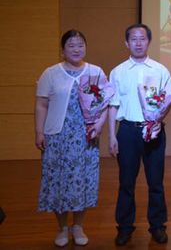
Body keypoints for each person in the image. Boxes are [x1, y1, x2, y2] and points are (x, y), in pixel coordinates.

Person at [35, 30, 108, 247]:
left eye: (80, 45)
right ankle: (62, 228)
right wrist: (39, 132)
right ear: (63, 50)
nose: (76, 49)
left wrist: (99, 124)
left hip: (86, 137)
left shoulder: (95, 71)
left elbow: (106, 102)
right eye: (71, 45)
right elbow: (41, 105)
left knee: (82, 181)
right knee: (58, 182)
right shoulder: (50, 73)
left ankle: (78, 226)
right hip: (58, 137)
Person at [108, 24, 171, 246]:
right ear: (126, 43)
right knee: (126, 182)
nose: (138, 43)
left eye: (143, 38)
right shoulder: (118, 72)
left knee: (155, 182)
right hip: (128, 131)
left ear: (149, 42)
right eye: (134, 39)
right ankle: (124, 227)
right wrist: (112, 136)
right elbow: (113, 105)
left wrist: (158, 119)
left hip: (154, 131)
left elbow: (169, 99)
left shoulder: (160, 70)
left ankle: (157, 226)